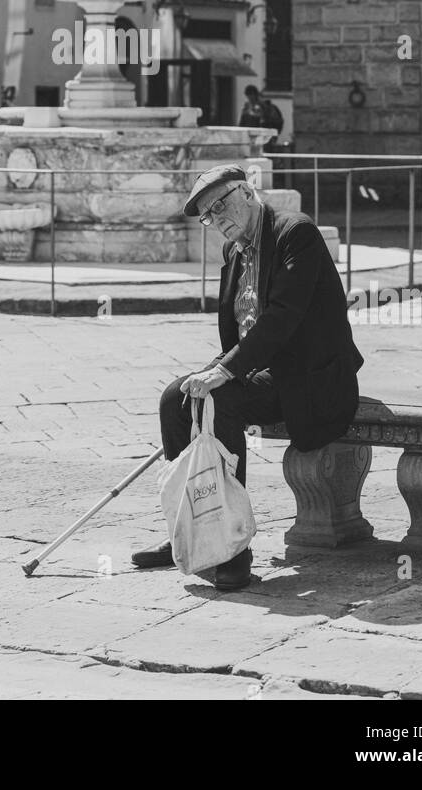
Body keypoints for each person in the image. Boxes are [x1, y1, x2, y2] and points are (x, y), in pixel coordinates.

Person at [131, 163, 364, 591]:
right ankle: (189, 529)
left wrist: (223, 372)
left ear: (247, 191)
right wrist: (211, 371)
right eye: (208, 214)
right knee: (174, 399)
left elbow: (281, 319)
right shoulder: (234, 251)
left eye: (220, 204)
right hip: (262, 371)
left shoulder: (296, 234)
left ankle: (233, 547)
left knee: (221, 402)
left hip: (310, 378)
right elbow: (241, 329)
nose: (217, 219)